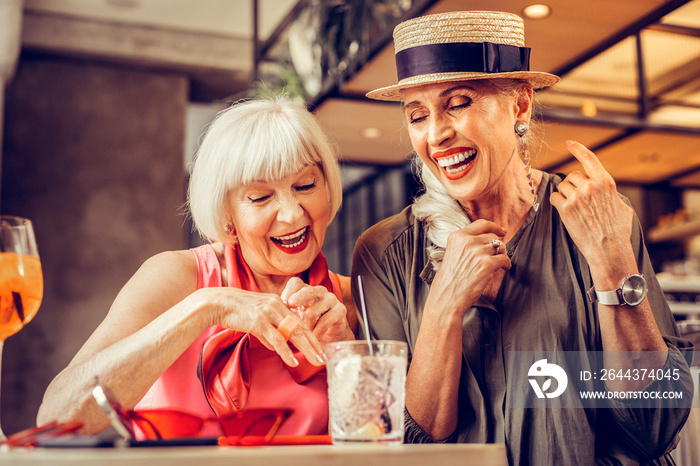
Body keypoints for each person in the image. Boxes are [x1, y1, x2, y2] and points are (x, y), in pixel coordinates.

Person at [353, 10, 693, 465]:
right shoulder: (385, 252)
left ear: (520, 105)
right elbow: (404, 441)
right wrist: (444, 305)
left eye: (458, 103)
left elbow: (653, 425)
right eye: (417, 116)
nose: (436, 134)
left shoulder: (601, 218)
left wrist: (611, 260)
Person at [37, 97, 356, 437]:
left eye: (305, 186)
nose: (292, 213)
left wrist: (346, 354)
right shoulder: (176, 277)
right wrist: (207, 307)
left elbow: (382, 440)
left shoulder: (350, 300)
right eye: (260, 197)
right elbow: (57, 418)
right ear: (226, 214)